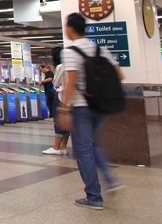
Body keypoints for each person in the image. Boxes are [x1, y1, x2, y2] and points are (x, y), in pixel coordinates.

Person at [59, 12, 123, 210]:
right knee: (94, 145)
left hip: (80, 108)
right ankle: (111, 180)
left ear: (70, 28)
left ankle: (94, 197)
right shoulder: (100, 48)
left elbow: (70, 84)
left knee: (84, 150)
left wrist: (64, 109)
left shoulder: (70, 52)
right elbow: (119, 75)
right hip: (99, 106)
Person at [43, 47, 70, 155]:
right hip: (69, 98)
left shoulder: (60, 66)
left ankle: (56, 147)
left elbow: (55, 83)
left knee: (58, 122)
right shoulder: (71, 66)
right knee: (66, 123)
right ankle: (63, 147)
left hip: (60, 97)